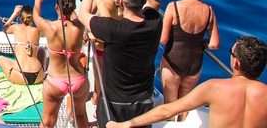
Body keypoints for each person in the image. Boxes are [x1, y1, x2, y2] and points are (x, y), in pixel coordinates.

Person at [106, 36, 267, 128]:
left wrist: (127, 124)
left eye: (231, 52)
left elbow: (167, 111)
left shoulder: (214, 88)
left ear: (236, 63)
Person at [79, 0, 162, 128]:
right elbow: (151, 5)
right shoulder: (155, 22)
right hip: (144, 102)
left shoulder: (113, 29)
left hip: (113, 103)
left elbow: (83, 14)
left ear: (122, 3)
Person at [160, 0, 219, 121]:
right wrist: (200, 42)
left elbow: (163, 40)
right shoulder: (209, 11)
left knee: (170, 106)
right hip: (195, 64)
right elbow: (214, 44)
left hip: (173, 61)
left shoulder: (173, 7)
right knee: (185, 105)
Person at [33, 0, 89, 128]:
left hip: (55, 81)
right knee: (80, 114)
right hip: (78, 80)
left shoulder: (50, 27)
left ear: (56, 7)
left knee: (48, 120)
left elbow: (36, 17)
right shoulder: (79, 26)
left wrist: (38, 0)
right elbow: (75, 17)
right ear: (73, 8)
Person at [89, 0, 122, 105]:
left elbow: (107, 30)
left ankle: (97, 101)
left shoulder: (101, 4)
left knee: (99, 79)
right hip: (117, 48)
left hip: (102, 48)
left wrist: (91, 35)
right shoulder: (121, 2)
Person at [0, 5, 45, 85]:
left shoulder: (15, 27)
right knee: (41, 51)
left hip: (19, 75)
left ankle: (16, 64)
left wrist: (14, 14)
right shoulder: (37, 30)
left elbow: (4, 29)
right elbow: (44, 34)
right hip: (38, 75)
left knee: (0, 58)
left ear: (20, 17)